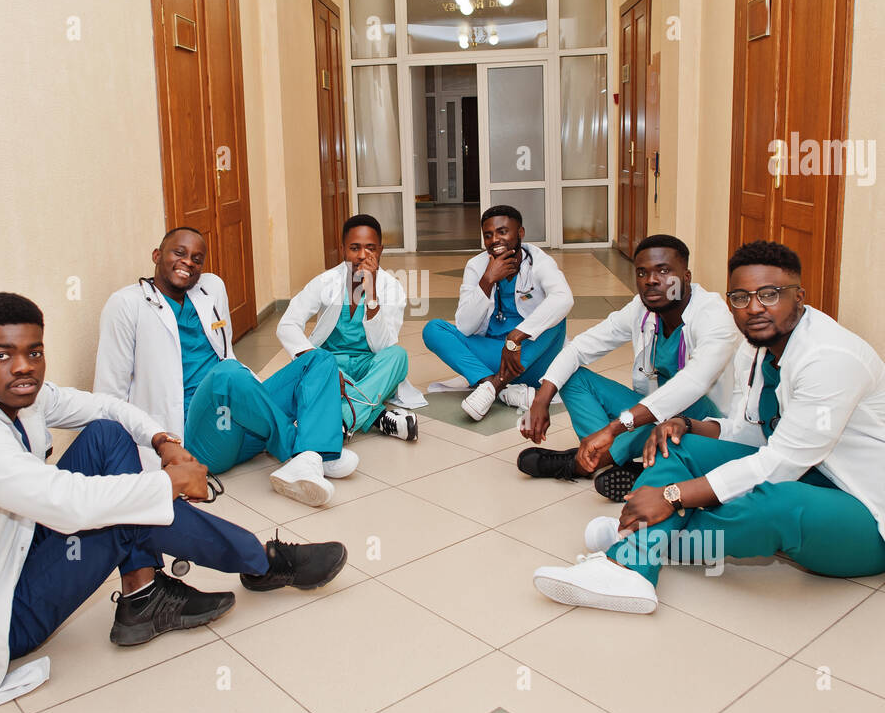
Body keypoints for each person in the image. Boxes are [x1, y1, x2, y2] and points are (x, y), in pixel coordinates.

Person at [0, 293, 347, 713]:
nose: (23, 367)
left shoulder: (16, 396)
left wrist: (162, 440)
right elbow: (68, 505)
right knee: (117, 515)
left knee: (106, 438)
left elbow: (104, 407)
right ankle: (259, 561)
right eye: (2, 355)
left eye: (34, 351)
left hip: (15, 553)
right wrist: (167, 482)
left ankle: (143, 595)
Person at [532, 241, 885, 613]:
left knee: (773, 499)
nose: (754, 307)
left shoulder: (829, 358)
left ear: (799, 296)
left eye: (770, 294)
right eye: (741, 296)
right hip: (816, 476)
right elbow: (751, 432)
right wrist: (690, 426)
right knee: (674, 445)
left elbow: (780, 462)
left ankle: (637, 542)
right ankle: (634, 569)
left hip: (872, 517)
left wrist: (674, 497)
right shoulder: (761, 350)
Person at [95, 227, 354, 507]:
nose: (188, 262)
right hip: (197, 438)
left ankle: (311, 454)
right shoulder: (126, 305)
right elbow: (109, 393)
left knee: (319, 359)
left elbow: (225, 351)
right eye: (179, 253)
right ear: (157, 255)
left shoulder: (212, 288)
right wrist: (118, 467)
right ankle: (308, 452)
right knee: (228, 376)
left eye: (197, 258)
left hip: (243, 424)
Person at [516, 235, 741, 500]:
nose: (651, 280)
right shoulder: (641, 308)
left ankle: (583, 462)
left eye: (664, 270)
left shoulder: (713, 317)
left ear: (687, 276)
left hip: (702, 422)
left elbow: (691, 385)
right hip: (649, 413)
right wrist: (542, 398)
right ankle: (614, 461)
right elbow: (579, 348)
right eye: (642, 272)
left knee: (677, 404)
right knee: (572, 377)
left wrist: (613, 429)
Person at [277, 215, 424, 441]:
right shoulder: (325, 281)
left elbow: (385, 346)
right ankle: (378, 417)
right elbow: (287, 325)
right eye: (354, 248)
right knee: (315, 371)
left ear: (380, 250)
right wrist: (315, 359)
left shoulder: (391, 288)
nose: (362, 256)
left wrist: (372, 296)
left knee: (398, 356)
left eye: (370, 248)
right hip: (331, 364)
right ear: (343, 249)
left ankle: (343, 418)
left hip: (369, 364)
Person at [422, 205, 573, 421]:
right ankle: (498, 389)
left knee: (557, 317)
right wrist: (487, 280)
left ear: (520, 233)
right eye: (488, 235)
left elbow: (564, 298)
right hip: (496, 354)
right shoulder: (476, 266)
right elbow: (465, 326)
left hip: (532, 357)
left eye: (503, 232)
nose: (495, 240)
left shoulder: (539, 262)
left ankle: (492, 385)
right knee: (433, 330)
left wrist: (517, 336)